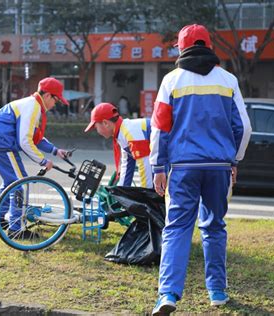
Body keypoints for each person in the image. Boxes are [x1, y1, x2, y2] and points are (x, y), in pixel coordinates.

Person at [150, 24, 252, 315]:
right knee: (215, 226)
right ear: (208, 45)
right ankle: (217, 292)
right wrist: (234, 160)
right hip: (218, 165)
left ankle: (168, 294)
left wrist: (158, 166)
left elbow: (160, 128)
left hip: (183, 166)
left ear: (181, 48)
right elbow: (244, 127)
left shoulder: (172, 80)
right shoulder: (228, 80)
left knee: (177, 228)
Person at [0, 77, 70, 237]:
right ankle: (17, 229)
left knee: (11, 181)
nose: (56, 104)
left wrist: (55, 151)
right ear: (48, 95)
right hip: (0, 142)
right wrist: (42, 160)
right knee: (22, 184)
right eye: (56, 100)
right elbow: (24, 141)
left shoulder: (32, 104)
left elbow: (35, 137)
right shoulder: (33, 107)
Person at [84, 102, 153, 188]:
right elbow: (126, 166)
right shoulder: (122, 133)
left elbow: (145, 167)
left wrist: (146, 196)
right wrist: (121, 193)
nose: (97, 131)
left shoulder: (130, 133)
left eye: (96, 127)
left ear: (105, 123)